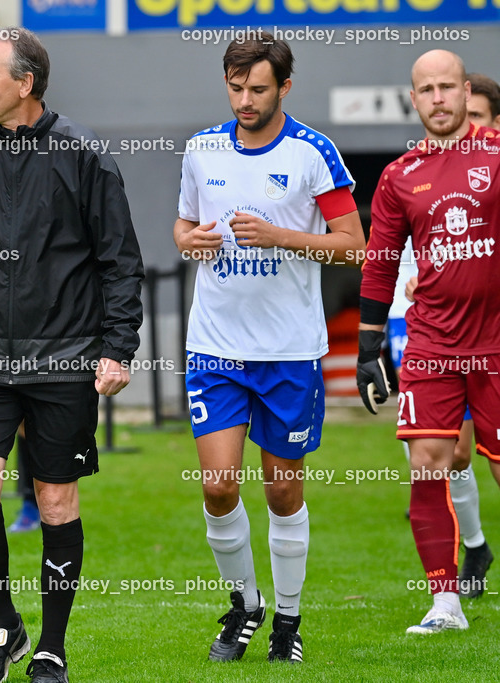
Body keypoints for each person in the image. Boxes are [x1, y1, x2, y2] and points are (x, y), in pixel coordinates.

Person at [0, 28, 143, 683]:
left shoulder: (84, 156)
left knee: (55, 501)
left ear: (25, 83)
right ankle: (4, 621)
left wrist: (117, 349)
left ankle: (51, 644)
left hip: (66, 359)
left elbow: (119, 261)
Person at [174, 34, 365, 664]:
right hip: (215, 346)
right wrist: (191, 240)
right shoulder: (202, 149)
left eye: (257, 89)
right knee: (219, 486)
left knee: (283, 493)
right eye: (235, 87)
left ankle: (288, 619)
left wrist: (279, 234)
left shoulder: (314, 152)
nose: (244, 100)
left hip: (288, 350)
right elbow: (182, 224)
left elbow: (352, 244)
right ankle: (244, 605)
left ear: (285, 86)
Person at [357, 49, 500, 634]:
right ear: (413, 99)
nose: (438, 98)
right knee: (427, 467)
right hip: (433, 346)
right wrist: (368, 349)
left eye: (447, 87)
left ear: (467, 92)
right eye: (427, 89)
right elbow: (380, 264)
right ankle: (445, 604)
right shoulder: (399, 176)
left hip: (497, 345)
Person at [391, 253, 492, 598]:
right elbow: (377, 253)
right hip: (402, 317)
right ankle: (475, 548)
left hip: (463, 313)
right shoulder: (394, 201)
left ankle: (475, 545)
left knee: (460, 454)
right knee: (431, 449)